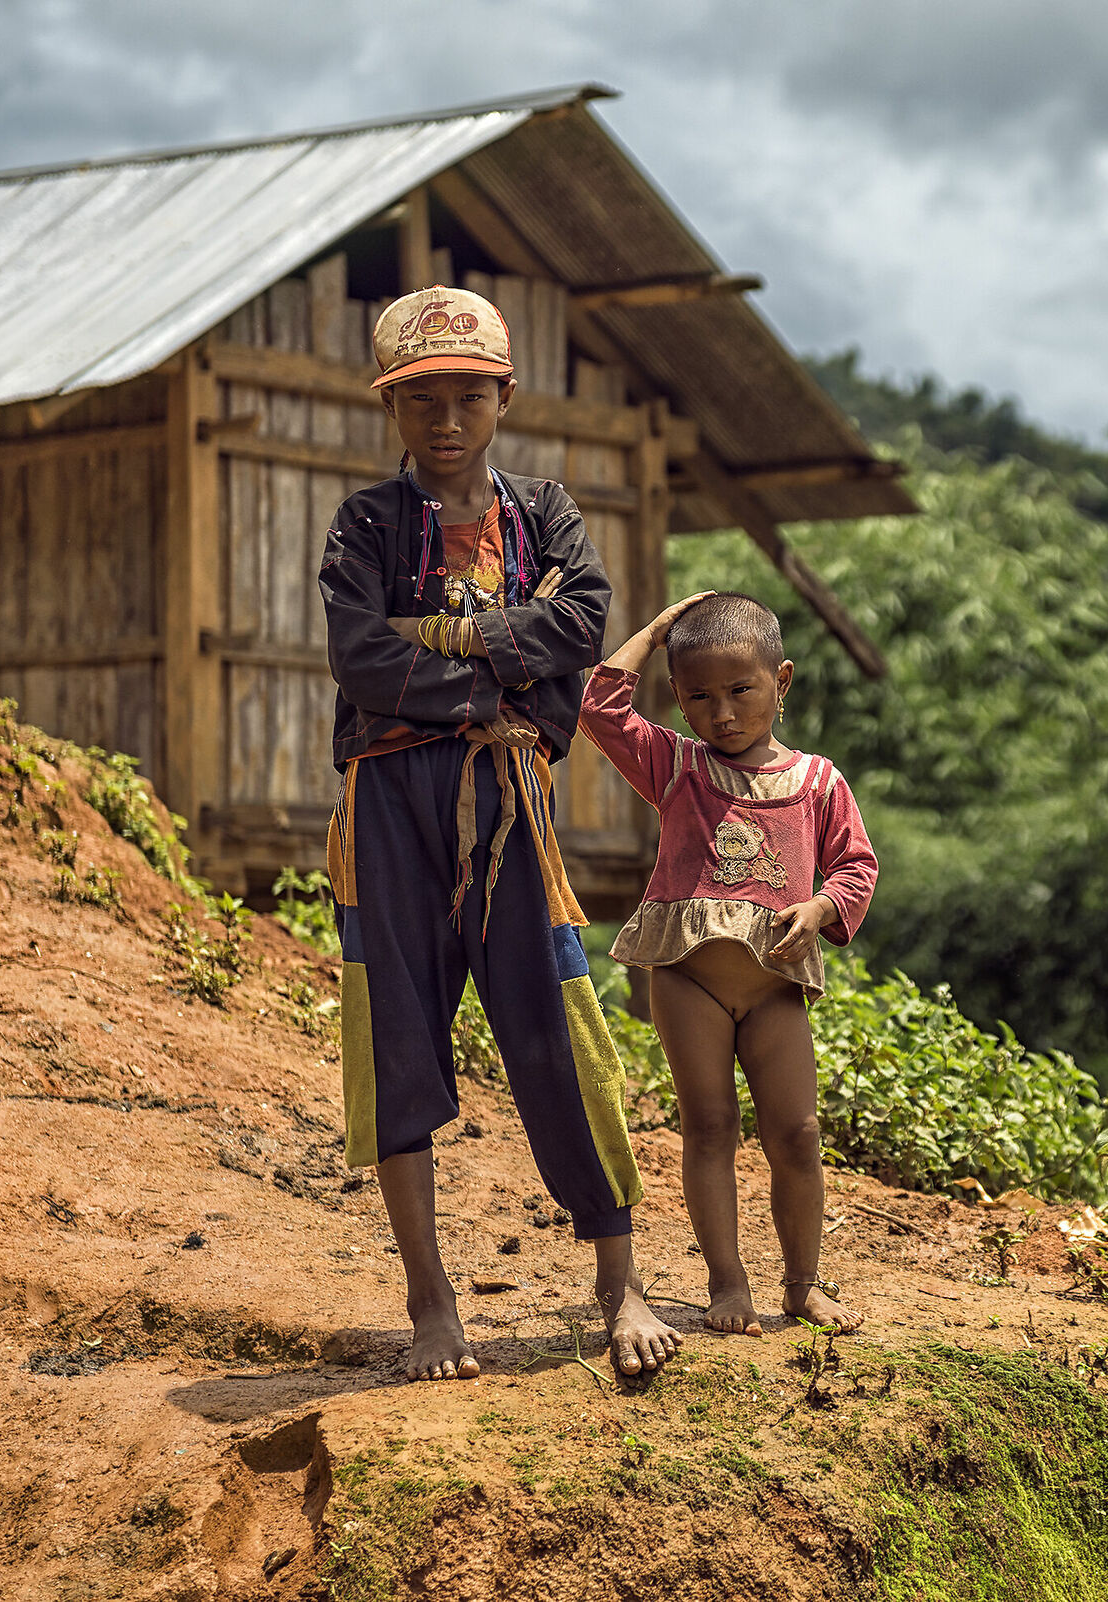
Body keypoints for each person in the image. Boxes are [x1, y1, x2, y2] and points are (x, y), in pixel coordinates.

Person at [319, 283, 681, 1381]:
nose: (443, 421)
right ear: (392, 411)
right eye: (419, 400)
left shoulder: (548, 513)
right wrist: (490, 685)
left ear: (503, 399)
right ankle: (433, 1305)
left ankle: (620, 1286)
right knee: (398, 1038)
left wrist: (446, 633)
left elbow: (585, 620)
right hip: (390, 806)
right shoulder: (367, 526)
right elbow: (359, 657)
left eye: (465, 397)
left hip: (511, 809)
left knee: (561, 1025)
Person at [580, 591, 878, 1335]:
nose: (722, 714)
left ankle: (803, 1281)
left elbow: (857, 867)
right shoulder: (675, 766)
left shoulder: (818, 781)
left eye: (741, 690)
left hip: (775, 990)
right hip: (689, 980)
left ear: (781, 682)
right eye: (698, 697)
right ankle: (727, 1281)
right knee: (709, 1127)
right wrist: (654, 632)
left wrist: (818, 909)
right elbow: (597, 705)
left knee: (797, 1134)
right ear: (677, 702)